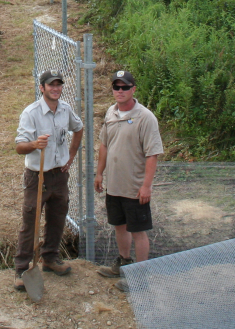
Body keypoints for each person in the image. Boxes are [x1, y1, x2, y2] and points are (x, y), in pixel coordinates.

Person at [14, 69, 83, 291]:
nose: (55, 88)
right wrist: (34, 145)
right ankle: (22, 269)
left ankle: (50, 258)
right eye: (51, 85)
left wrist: (71, 156)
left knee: (57, 217)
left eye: (58, 85)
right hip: (37, 176)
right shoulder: (31, 113)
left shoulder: (65, 109)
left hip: (59, 175)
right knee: (30, 221)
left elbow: (79, 128)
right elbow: (19, 147)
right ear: (42, 88)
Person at [94, 70, 163, 291]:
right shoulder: (110, 113)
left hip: (135, 188)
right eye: (117, 87)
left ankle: (140, 277)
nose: (120, 91)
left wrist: (146, 186)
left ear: (134, 89)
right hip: (114, 186)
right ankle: (123, 263)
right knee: (119, 226)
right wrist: (99, 173)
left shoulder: (145, 117)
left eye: (125, 87)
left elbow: (152, 154)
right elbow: (104, 144)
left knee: (138, 231)